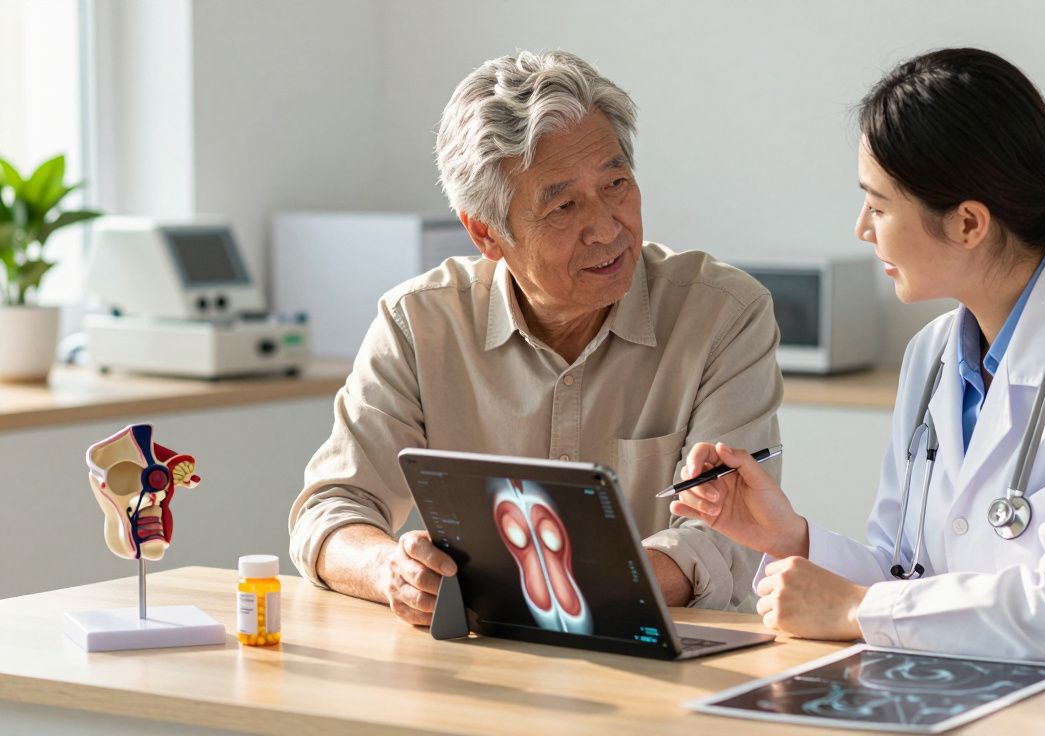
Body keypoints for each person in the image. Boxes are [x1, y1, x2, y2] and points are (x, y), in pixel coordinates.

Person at [672, 48, 1045, 663]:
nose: (862, 228)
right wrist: (790, 537)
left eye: (879, 206)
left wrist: (857, 610)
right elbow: (910, 579)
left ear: (969, 223)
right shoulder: (933, 356)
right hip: (981, 687)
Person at [289, 50, 783, 625]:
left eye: (617, 183)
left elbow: (728, 538)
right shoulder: (418, 323)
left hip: (663, 657)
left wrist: (571, 592)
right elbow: (330, 510)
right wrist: (392, 572)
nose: (606, 228)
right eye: (563, 206)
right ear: (485, 233)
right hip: (480, 666)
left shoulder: (723, 314)